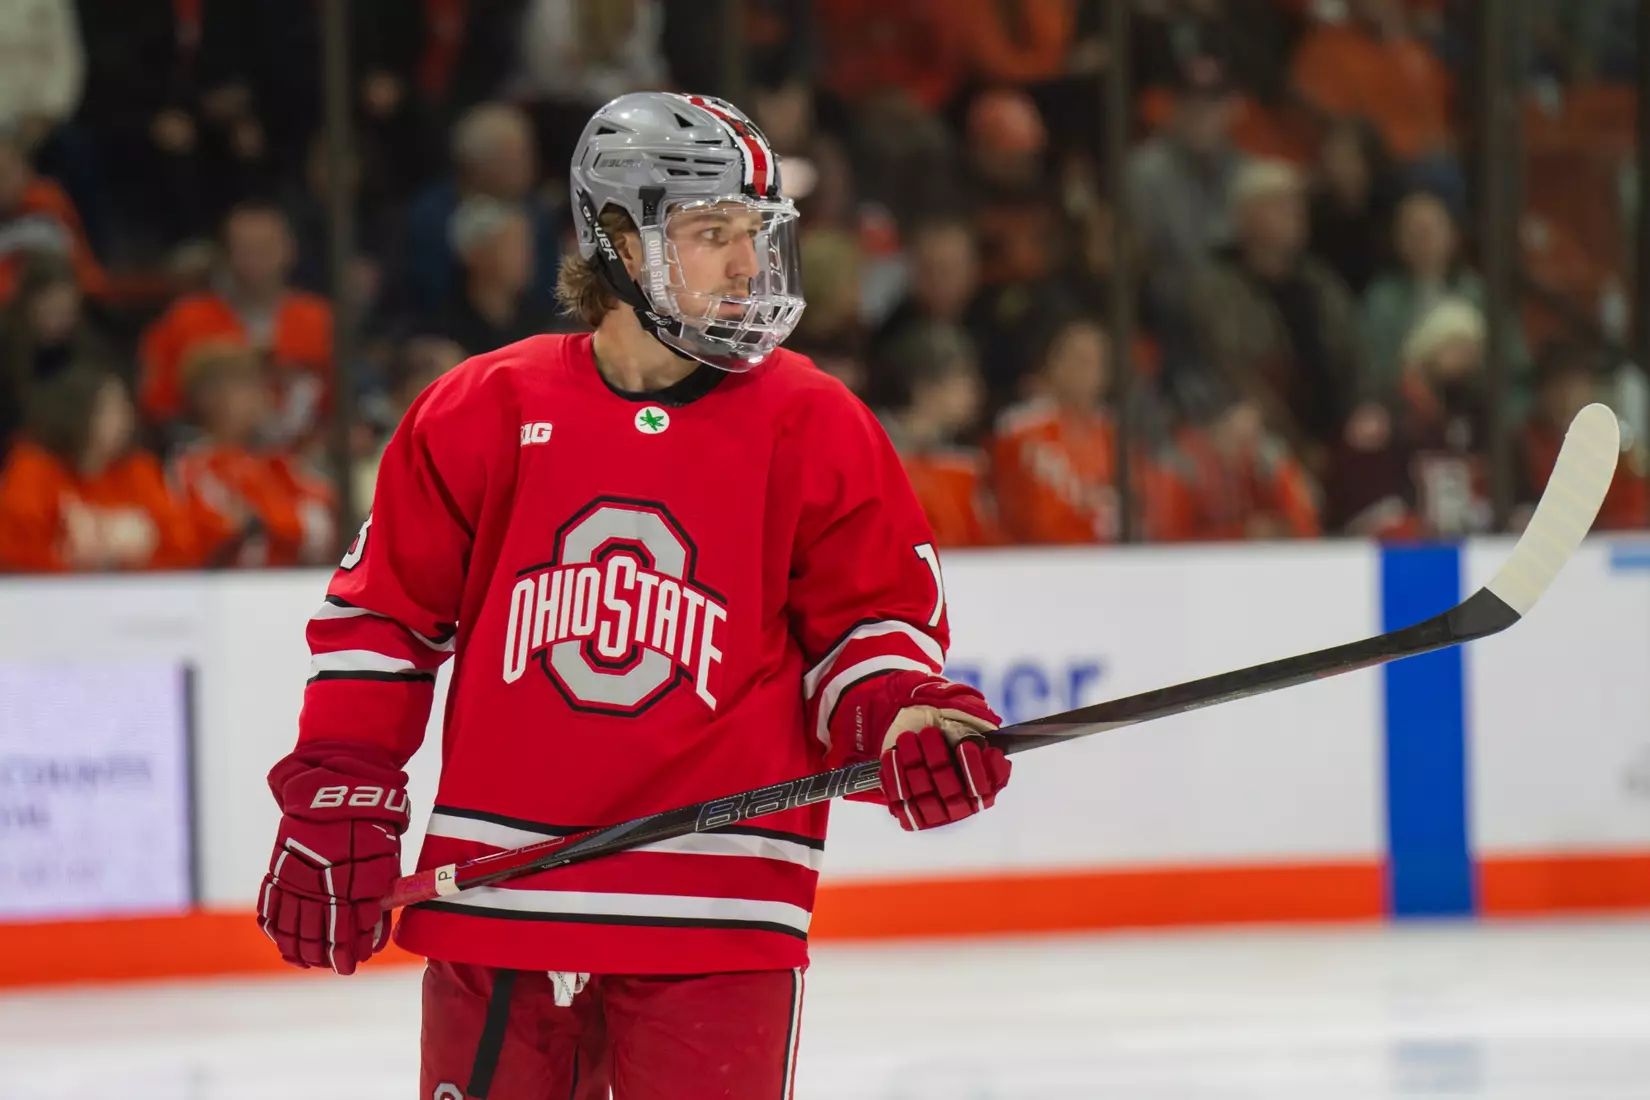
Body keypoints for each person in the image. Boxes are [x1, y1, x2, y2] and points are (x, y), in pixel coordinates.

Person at [256, 92, 1013, 1098]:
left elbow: (870, 636)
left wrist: (904, 718)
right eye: (713, 233)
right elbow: (383, 622)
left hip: (718, 914)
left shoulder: (815, 421)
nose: (747, 264)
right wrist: (342, 789)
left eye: (754, 233)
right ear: (618, 239)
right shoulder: (483, 407)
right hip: (504, 906)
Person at [139, 200, 334, 441]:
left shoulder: (320, 319)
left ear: (289, 250)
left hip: (304, 454)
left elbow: (342, 408)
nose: (254, 259)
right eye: (243, 248)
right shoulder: (186, 319)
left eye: (265, 248)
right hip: (212, 452)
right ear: (226, 254)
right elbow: (159, 409)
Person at [0, 365, 196, 572]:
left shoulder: (139, 470)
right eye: (108, 410)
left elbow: (184, 547)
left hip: (129, 589)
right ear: (76, 413)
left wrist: (143, 549)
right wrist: (72, 556)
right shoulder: (34, 468)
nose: (124, 419)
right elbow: (11, 551)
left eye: (124, 407)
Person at [169, 342, 336, 568]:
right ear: (210, 397)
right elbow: (226, 537)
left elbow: (327, 522)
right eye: (246, 384)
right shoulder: (192, 468)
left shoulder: (275, 462)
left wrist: (270, 522)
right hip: (223, 588)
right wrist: (283, 525)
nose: (261, 394)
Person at [879, 321, 1002, 548]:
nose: (976, 390)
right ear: (925, 387)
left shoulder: (966, 460)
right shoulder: (875, 451)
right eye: (963, 378)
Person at [437, 196, 562, 355]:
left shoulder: (542, 325)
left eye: (526, 247)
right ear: (476, 254)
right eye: (512, 246)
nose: (525, 258)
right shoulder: (444, 333)